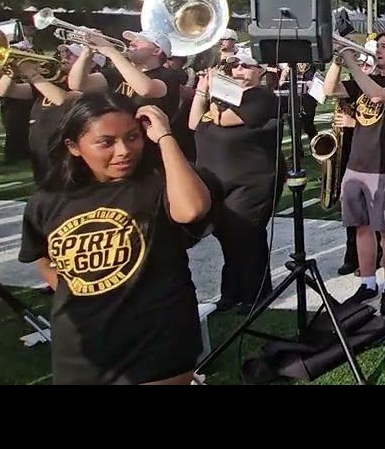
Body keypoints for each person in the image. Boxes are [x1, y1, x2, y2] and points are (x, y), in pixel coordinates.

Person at [17, 92, 221, 385]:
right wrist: (78, 289)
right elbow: (39, 251)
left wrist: (165, 136)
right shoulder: (48, 201)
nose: (124, 150)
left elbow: (192, 210)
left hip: (156, 340)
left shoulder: (157, 184)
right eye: (106, 142)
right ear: (73, 146)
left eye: (132, 137)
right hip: (81, 347)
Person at [321, 31, 385, 317]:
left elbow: (376, 94)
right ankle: (367, 282)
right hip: (355, 165)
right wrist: (337, 62)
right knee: (361, 227)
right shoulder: (365, 79)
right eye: (378, 46)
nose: (378, 51)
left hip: (383, 166)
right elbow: (329, 90)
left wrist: (350, 59)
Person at [188, 51, 284, 314]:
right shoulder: (221, 96)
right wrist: (201, 90)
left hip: (251, 181)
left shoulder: (261, 97)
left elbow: (224, 119)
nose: (238, 70)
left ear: (260, 70)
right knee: (227, 236)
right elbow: (194, 123)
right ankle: (232, 293)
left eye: (245, 66)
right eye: (234, 66)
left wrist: (216, 92)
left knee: (247, 236)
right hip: (219, 180)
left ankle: (257, 294)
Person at [0, 45, 87, 184]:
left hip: (66, 154)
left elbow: (61, 99)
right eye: (64, 53)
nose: (64, 57)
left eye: (71, 55)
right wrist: (13, 70)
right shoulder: (48, 84)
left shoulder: (87, 85)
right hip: (42, 153)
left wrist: (32, 73)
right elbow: (3, 91)